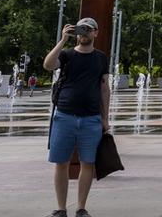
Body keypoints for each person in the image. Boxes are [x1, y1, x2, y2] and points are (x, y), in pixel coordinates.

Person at [43, 17, 110, 217]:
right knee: (61, 162)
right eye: (81, 30)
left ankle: (81, 208)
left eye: (88, 30)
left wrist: (105, 118)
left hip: (91, 118)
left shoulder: (100, 58)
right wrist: (62, 40)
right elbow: (48, 65)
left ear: (96, 33)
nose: (84, 34)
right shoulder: (67, 55)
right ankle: (61, 208)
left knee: (88, 163)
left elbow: (104, 89)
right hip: (64, 116)